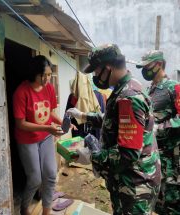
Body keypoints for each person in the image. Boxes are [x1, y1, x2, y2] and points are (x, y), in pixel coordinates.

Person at [67, 44, 161, 215]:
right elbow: (112, 121)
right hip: (128, 181)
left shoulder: (128, 97)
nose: (95, 76)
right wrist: (83, 115)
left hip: (135, 186)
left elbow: (128, 154)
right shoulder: (125, 87)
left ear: (107, 68)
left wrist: (92, 157)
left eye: (96, 71)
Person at [13, 55, 63, 215]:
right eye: (45, 75)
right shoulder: (21, 92)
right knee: (35, 178)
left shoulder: (49, 88)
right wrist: (48, 128)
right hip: (27, 140)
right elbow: (21, 124)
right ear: (34, 73)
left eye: (50, 74)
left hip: (45, 138)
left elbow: (50, 113)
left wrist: (63, 122)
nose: (48, 78)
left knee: (50, 174)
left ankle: (46, 211)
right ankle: (24, 208)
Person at [136, 50, 180, 215]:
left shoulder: (173, 87)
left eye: (147, 66)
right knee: (157, 200)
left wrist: (160, 127)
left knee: (172, 201)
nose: (144, 70)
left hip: (171, 158)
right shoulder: (149, 91)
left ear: (159, 64)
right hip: (154, 156)